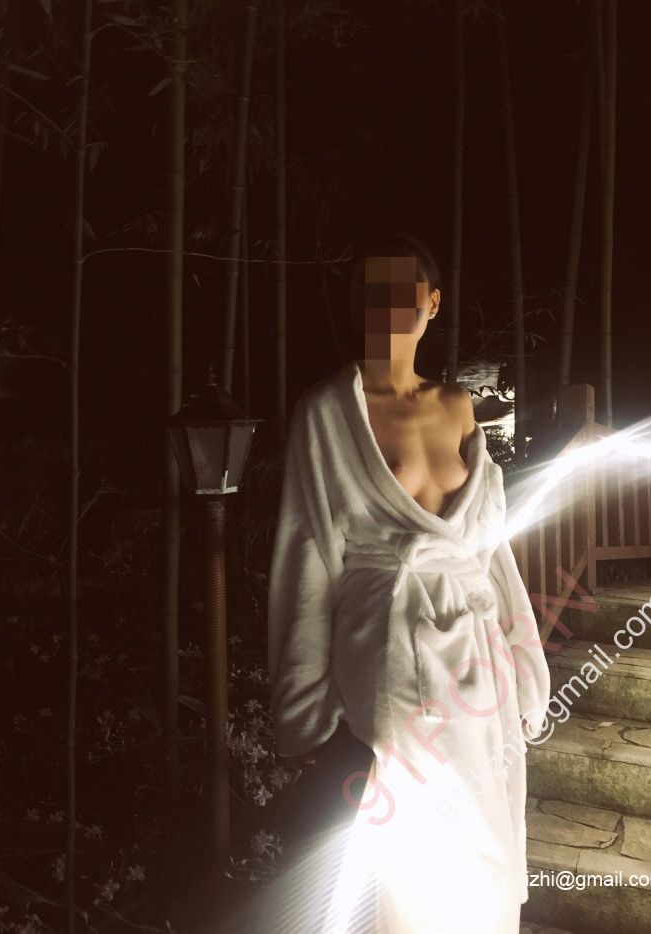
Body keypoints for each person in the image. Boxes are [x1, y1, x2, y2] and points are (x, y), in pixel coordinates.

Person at [266, 230, 551, 933]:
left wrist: (524, 658)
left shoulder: (458, 406)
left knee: (479, 858)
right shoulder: (326, 413)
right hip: (387, 662)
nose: (388, 307)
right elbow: (307, 556)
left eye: (404, 292)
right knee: (407, 871)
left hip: (476, 666)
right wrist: (304, 700)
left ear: (433, 302)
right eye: (372, 291)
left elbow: (487, 547)